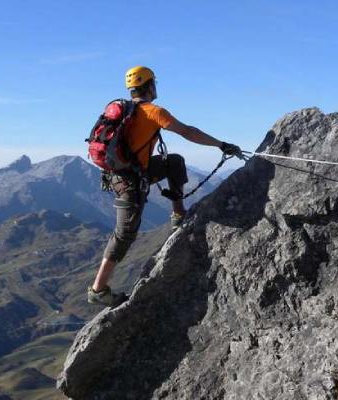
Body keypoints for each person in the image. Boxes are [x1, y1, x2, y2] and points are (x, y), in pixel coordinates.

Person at [88, 66, 242, 306]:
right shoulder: (153, 111)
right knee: (125, 233)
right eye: (154, 84)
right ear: (150, 86)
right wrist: (221, 145)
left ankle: (178, 214)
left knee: (174, 162)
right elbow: (187, 131)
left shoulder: (122, 109)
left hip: (125, 172)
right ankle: (98, 290)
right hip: (130, 181)